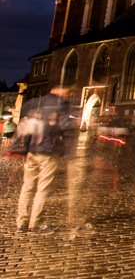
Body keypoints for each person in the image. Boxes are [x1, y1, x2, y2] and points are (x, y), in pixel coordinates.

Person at [13, 86, 74, 233]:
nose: (68, 94)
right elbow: (65, 126)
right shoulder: (60, 104)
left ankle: (21, 221)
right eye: (66, 92)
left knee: (27, 187)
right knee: (43, 189)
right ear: (60, 91)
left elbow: (24, 125)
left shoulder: (36, 103)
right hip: (48, 151)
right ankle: (36, 223)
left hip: (32, 150)